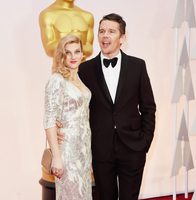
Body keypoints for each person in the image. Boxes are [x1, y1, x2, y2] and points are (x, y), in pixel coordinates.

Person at [58, 13, 156, 200]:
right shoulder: (85, 69)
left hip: (133, 148)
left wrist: (144, 142)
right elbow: (75, 106)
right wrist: (61, 128)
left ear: (122, 38)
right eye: (102, 31)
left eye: (111, 31)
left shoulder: (138, 66)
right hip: (100, 149)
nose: (105, 35)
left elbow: (149, 108)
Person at [43, 34, 92, 200]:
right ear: (61, 55)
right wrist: (57, 157)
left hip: (83, 151)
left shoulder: (78, 77)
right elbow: (49, 120)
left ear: (82, 54)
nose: (73, 56)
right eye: (68, 52)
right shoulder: (57, 80)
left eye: (77, 51)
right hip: (68, 152)